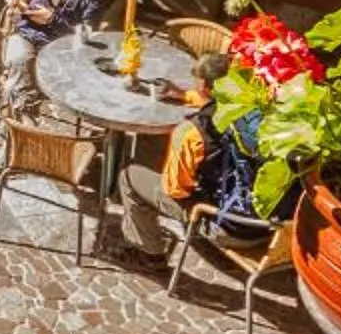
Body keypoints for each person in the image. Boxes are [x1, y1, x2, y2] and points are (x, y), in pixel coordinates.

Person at [0, 0, 105, 171]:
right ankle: (14, 148)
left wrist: (52, 19)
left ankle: (14, 126)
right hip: (26, 37)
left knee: (15, 86)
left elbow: (83, 37)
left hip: (60, 51)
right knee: (19, 66)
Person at [118, 92, 280, 260]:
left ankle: (148, 255)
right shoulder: (275, 129)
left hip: (229, 229)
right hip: (272, 231)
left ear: (203, 85)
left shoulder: (194, 132)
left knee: (129, 177)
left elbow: (176, 191)